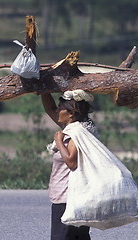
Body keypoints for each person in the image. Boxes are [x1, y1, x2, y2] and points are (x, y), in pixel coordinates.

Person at [41, 90, 97, 240]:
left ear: (71, 113)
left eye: (61, 108)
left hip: (69, 197)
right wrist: (43, 89)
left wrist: (59, 142)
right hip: (76, 195)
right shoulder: (75, 128)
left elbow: (72, 162)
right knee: (79, 236)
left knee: (63, 236)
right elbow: (49, 108)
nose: (57, 110)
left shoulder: (77, 133)